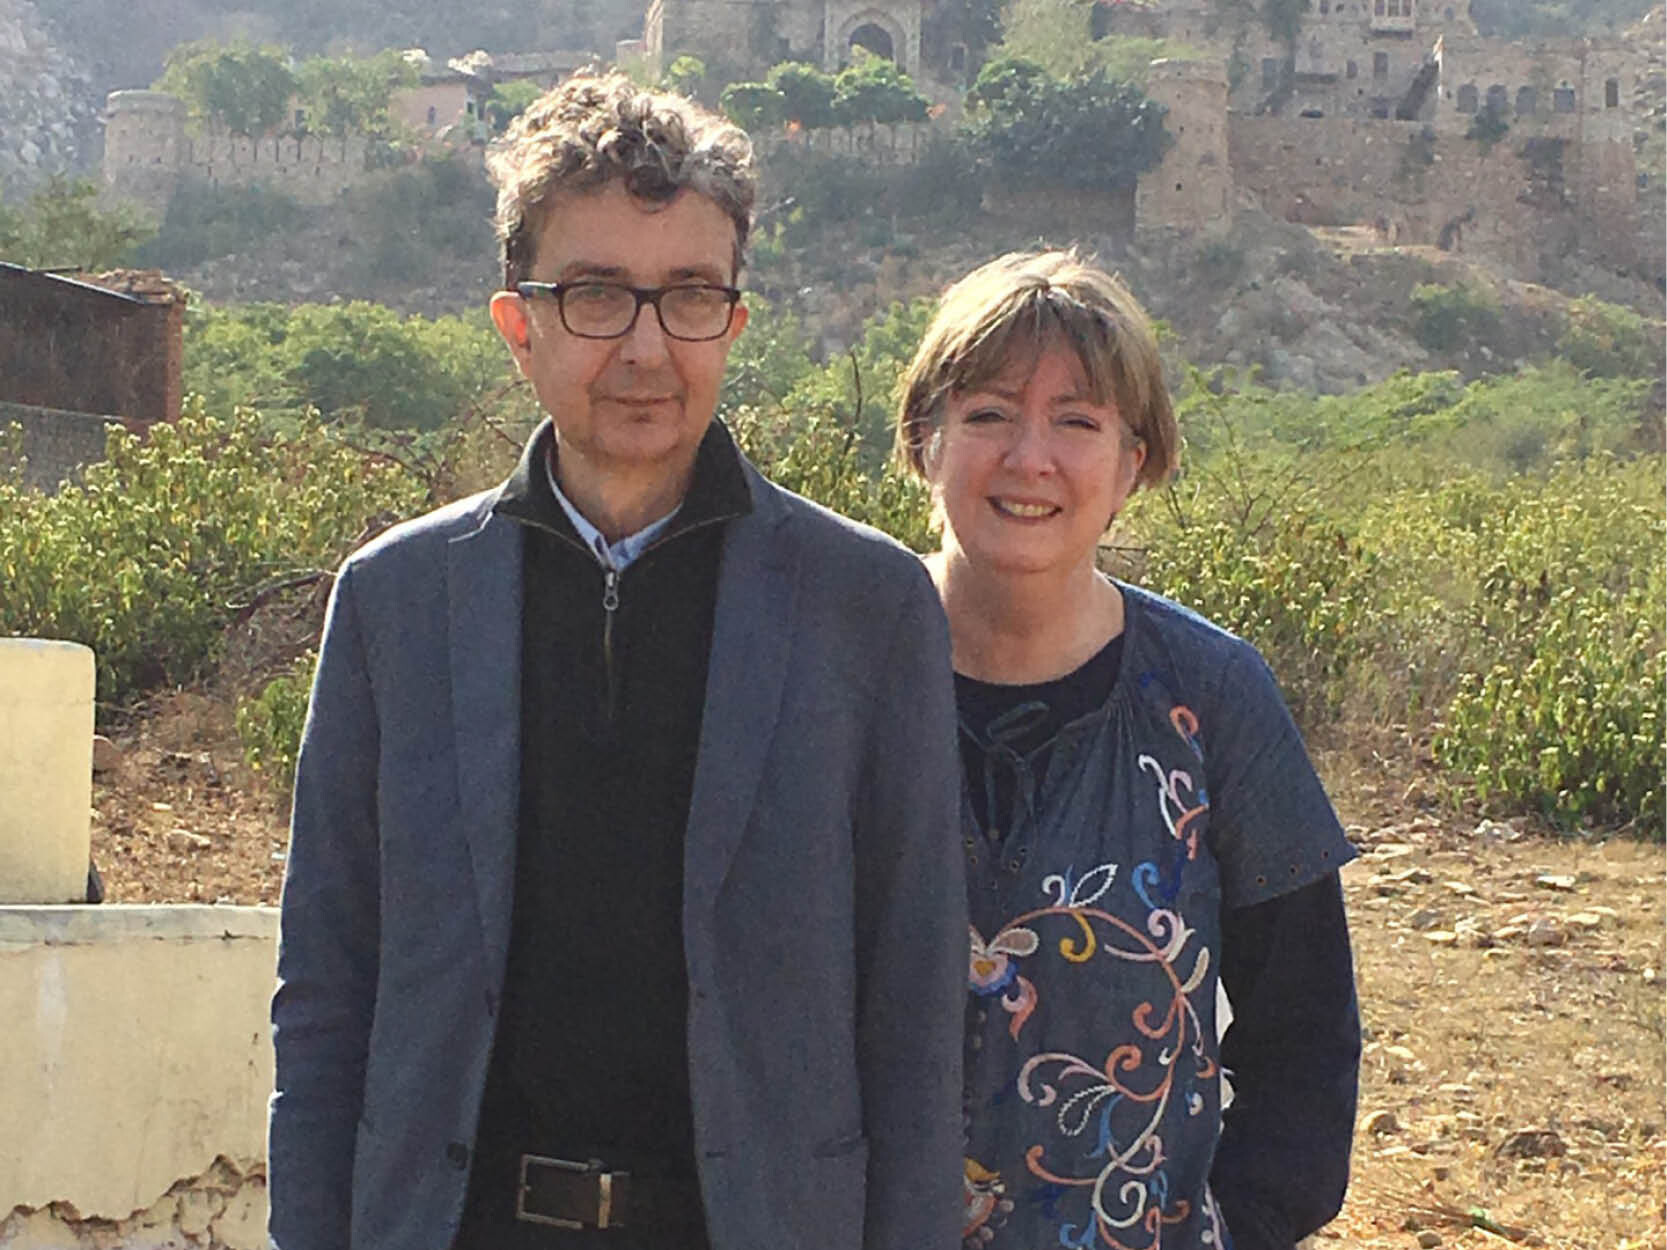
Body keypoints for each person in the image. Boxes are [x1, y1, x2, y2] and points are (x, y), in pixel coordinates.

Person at [268, 71, 967, 1250]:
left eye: (688, 295)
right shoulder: (397, 602)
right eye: (596, 294)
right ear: (517, 324)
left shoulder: (862, 606)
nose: (647, 346)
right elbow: (328, 985)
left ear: (734, 321)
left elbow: (910, 1015)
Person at [895, 250, 1361, 1250]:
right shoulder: (835, 678)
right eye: (986, 413)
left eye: (1076, 420)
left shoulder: (1210, 696)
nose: (1030, 457)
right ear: (922, 440)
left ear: (1132, 461)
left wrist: (1234, 1225)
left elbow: (1305, 1037)